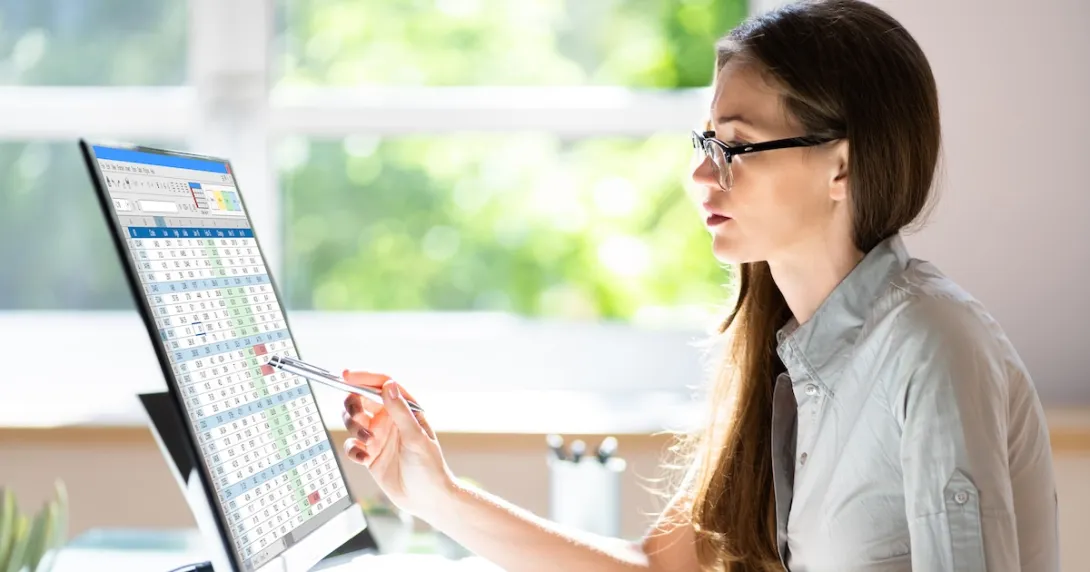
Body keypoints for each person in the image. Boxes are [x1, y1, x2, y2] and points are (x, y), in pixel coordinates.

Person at [338, 0, 1060, 570]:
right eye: (704, 142)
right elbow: (654, 569)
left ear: (842, 167)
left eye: (737, 147)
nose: (701, 175)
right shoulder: (786, 355)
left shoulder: (931, 346)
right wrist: (437, 495)